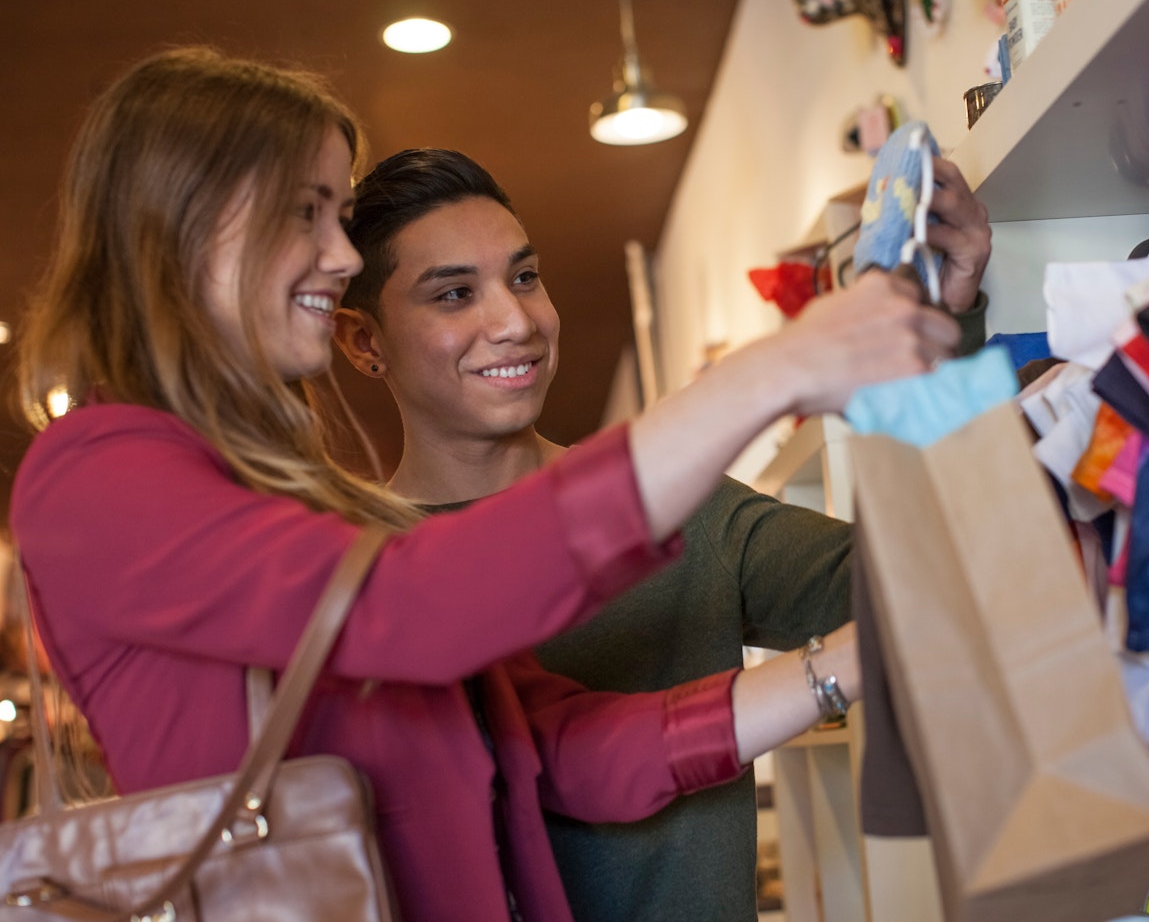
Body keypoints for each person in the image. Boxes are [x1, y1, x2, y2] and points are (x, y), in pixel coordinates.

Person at [7, 48, 961, 922]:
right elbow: (412, 607)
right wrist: (767, 375)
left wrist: (843, 667)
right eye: (308, 213)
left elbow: (560, 750)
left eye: (340, 217)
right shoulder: (97, 473)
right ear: (181, 227)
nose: (340, 258)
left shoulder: (316, 519)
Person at [332, 148, 991, 921]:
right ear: (363, 342)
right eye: (453, 294)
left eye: (523, 277)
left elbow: (927, 582)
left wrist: (941, 332)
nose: (514, 321)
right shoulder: (351, 582)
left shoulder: (683, 512)